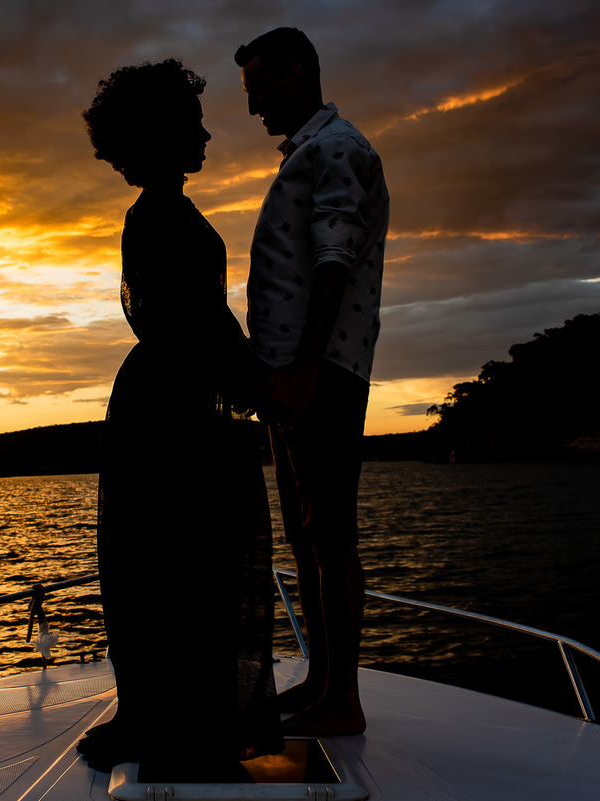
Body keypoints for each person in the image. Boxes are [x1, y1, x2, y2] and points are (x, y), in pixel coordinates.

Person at [76, 59, 281, 775]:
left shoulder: (161, 213)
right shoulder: (159, 216)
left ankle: (172, 713)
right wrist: (264, 384)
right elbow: (196, 321)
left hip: (170, 400)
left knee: (172, 561)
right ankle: (171, 721)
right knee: (174, 560)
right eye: (194, 122)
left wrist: (247, 378)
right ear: (162, 133)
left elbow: (199, 322)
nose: (207, 134)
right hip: (170, 411)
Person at [236, 27, 389, 737]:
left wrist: (303, 367)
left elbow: (335, 254)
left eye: (260, 87)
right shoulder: (314, 150)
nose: (253, 106)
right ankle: (322, 680)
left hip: (320, 369)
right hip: (292, 372)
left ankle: (343, 700)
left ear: (297, 73)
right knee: (306, 532)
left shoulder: (337, 148)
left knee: (328, 530)